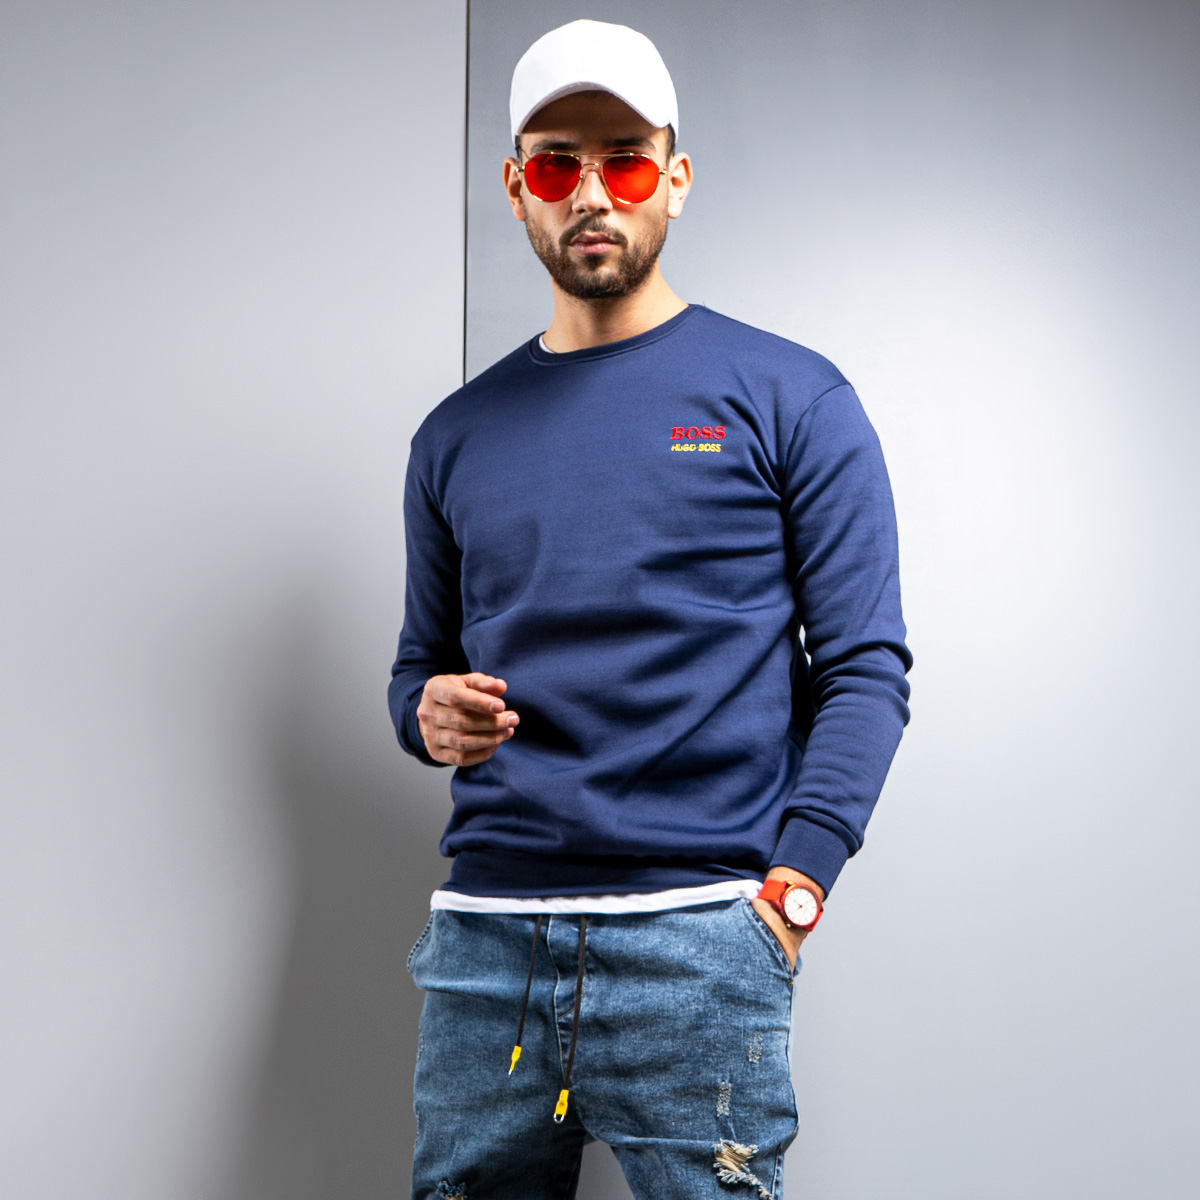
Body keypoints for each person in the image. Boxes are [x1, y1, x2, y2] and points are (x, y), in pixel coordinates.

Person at [388, 18, 912, 1200]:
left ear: (674, 178)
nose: (591, 194)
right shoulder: (453, 437)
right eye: (556, 164)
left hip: (701, 942)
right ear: (516, 187)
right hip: (486, 951)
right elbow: (417, 667)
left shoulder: (791, 398)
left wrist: (795, 888)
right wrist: (426, 712)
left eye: (624, 162)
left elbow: (865, 670)